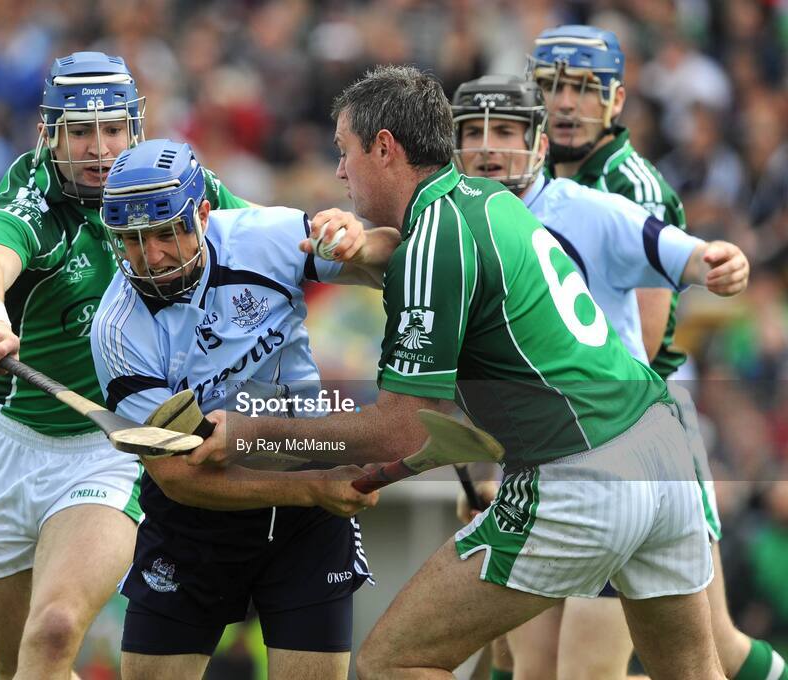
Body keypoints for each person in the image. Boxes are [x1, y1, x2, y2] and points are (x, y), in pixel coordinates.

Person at [189, 64, 724, 680]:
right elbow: (469, 309)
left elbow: (402, 431)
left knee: (395, 660)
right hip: (662, 448)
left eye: (344, 152)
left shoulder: (434, 239)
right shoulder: (485, 198)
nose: (339, 172)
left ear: (384, 147)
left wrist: (252, 434)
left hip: (583, 473)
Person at [0, 52, 249, 680]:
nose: (99, 148)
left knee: (55, 629)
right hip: (6, 450)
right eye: (80, 132)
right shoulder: (33, 195)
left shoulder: (168, 179)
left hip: (107, 447)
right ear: (50, 135)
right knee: (22, 669)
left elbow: (262, 238)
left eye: (112, 129)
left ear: (134, 129)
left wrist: (343, 241)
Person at [453, 73, 751, 680]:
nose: (488, 147)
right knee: (534, 669)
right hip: (540, 468)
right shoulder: (449, 225)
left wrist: (718, 262)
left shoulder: (590, 211)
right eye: (471, 132)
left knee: (599, 671)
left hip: (618, 461)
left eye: (505, 130)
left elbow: (686, 255)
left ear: (538, 145)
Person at [531, 25, 788, 680]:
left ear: (617, 102)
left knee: (597, 664)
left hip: (628, 434)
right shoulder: (546, 179)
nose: (566, 103)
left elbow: (640, 342)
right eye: (551, 86)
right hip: (584, 434)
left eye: (585, 89)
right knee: (705, 649)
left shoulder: (628, 184)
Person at [91, 138, 398, 679]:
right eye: (133, 239)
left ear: (204, 215)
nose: (153, 255)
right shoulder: (117, 329)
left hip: (306, 481)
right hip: (196, 518)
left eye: (167, 232)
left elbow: (392, 262)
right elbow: (178, 477)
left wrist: (360, 243)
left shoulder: (266, 237)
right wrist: (311, 490)